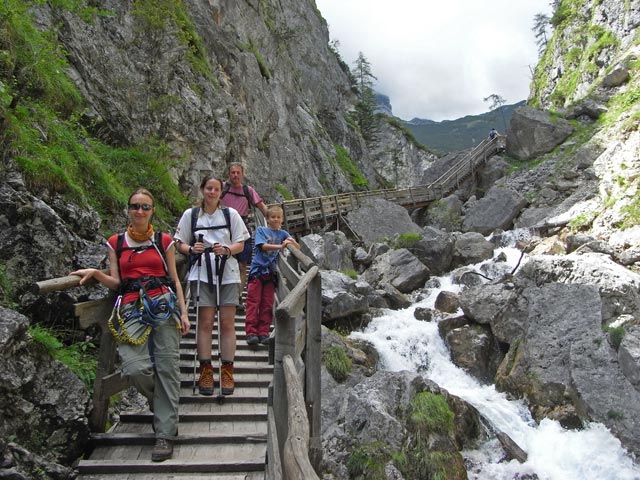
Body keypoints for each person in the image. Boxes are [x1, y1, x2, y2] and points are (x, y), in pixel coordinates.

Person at [70, 188, 190, 463]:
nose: (139, 211)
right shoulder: (116, 242)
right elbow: (117, 280)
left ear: (152, 211)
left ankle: (165, 434)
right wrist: (96, 274)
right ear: (128, 209)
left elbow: (174, 279)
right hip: (130, 307)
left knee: (168, 367)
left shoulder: (164, 240)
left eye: (145, 207)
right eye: (134, 206)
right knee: (135, 367)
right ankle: (162, 407)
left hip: (163, 305)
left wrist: (183, 313)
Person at [174, 175, 249, 397]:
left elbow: (241, 243)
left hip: (227, 273)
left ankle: (227, 369)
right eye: (209, 188)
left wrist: (226, 250)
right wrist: (190, 250)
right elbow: (179, 242)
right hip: (201, 272)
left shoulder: (231, 214)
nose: (212, 193)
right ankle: (205, 369)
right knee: (205, 322)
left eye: (216, 189)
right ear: (202, 190)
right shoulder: (191, 215)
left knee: (227, 323)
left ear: (221, 192)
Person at [245, 205, 300, 346]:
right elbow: (262, 246)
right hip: (257, 271)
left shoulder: (283, 233)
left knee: (267, 304)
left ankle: (263, 332)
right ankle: (251, 332)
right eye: (272, 217)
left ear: (282, 219)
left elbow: (297, 247)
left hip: (270, 273)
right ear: (267, 219)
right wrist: (281, 247)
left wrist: (290, 241)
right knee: (253, 302)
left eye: (278, 217)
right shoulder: (261, 230)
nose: (275, 219)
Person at [220, 163, 269, 307]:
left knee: (242, 265)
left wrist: (273, 221)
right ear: (229, 174)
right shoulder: (222, 188)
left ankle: (237, 297)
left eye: (238, 173)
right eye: (232, 172)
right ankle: (223, 294)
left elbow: (261, 206)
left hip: (242, 229)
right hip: (224, 228)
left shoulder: (248, 191)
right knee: (223, 263)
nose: (235, 175)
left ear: (242, 174)